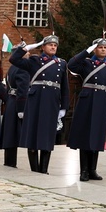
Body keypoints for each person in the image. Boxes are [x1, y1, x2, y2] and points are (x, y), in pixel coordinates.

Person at [10, 34, 70, 174]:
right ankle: (34, 170)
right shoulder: (34, 61)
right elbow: (14, 59)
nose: (53, 47)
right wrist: (28, 47)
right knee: (32, 135)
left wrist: (64, 107)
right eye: (50, 45)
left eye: (55, 45)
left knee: (47, 136)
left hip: (51, 102)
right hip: (36, 101)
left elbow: (65, 87)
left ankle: (44, 170)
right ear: (43, 47)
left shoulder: (61, 63)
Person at [67, 37, 106, 182]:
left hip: (103, 102)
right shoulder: (86, 63)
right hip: (87, 101)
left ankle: (92, 170)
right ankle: (84, 170)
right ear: (95, 49)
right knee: (85, 136)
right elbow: (71, 65)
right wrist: (87, 50)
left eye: (105, 48)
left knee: (97, 136)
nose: (103, 50)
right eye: (100, 47)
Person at [0, 51, 30, 168]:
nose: (28, 53)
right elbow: (23, 89)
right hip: (18, 102)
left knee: (10, 133)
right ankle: (11, 162)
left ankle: (8, 161)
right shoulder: (23, 68)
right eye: (26, 52)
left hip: (11, 100)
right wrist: (22, 108)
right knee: (14, 134)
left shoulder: (12, 67)